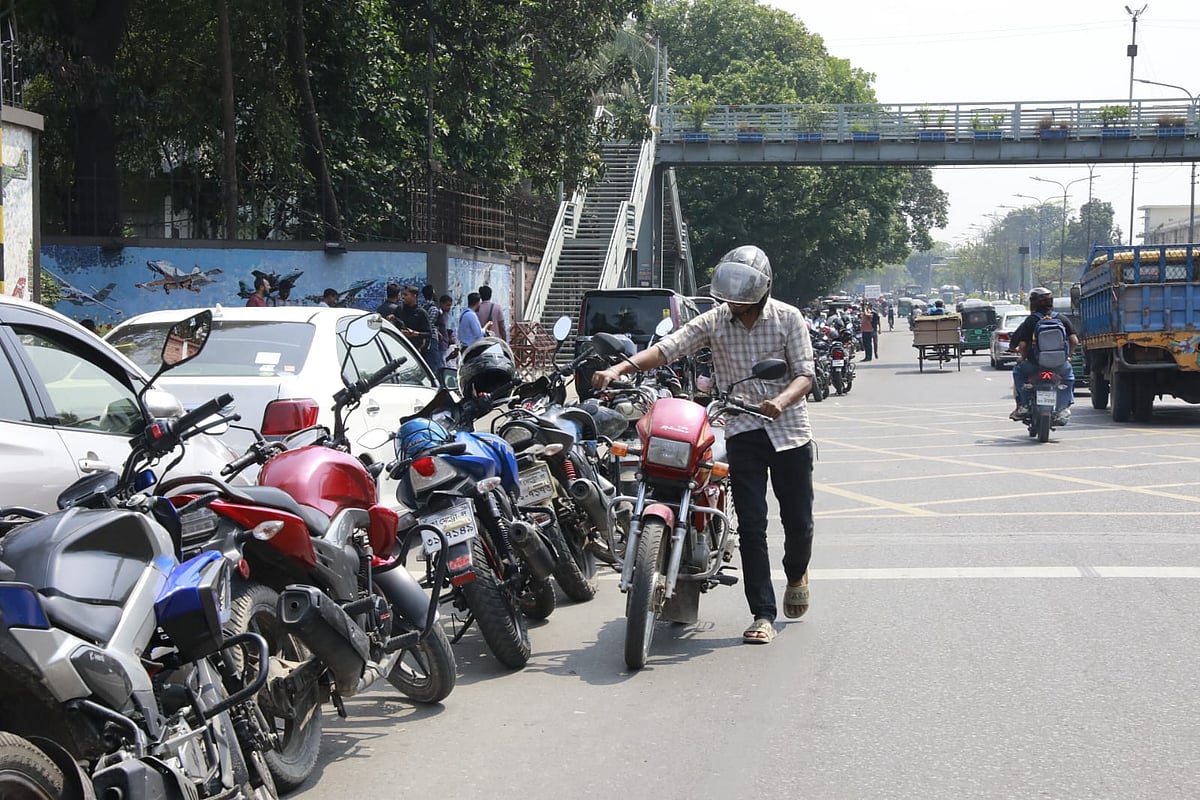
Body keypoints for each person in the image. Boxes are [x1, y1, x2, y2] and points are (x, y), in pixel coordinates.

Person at [592, 245, 815, 646]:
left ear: (762, 293)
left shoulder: (788, 318)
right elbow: (667, 348)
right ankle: (761, 612)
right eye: (730, 302)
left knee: (799, 522)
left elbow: (804, 374)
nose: (735, 309)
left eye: (742, 303)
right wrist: (619, 368)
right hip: (743, 427)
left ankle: (797, 572)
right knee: (751, 525)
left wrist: (780, 401)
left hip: (790, 432)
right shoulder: (716, 320)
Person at [1009, 287, 1078, 424]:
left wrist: (1022, 358)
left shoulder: (1031, 321)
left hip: (1034, 365)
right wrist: (1068, 356)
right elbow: (1074, 341)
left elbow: (1022, 345)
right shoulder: (1061, 318)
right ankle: (1062, 408)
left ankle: (1023, 405)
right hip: (1059, 365)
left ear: (1033, 303)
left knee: (1018, 371)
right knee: (1068, 378)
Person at [396, 285, 432, 354]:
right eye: (402, 295)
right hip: (400, 347)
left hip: (414, 351)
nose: (403, 297)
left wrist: (414, 333)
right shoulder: (399, 310)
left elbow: (428, 333)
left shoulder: (421, 313)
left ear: (414, 296)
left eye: (406, 295)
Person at [420, 284, 444, 370]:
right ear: (432, 293)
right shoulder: (433, 308)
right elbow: (430, 324)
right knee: (433, 364)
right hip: (431, 339)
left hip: (425, 340)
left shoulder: (422, 306)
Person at [436, 293, 454, 365]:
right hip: (440, 346)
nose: (449, 307)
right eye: (447, 305)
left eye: (450, 305)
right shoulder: (438, 314)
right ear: (441, 304)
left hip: (444, 345)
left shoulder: (444, 315)